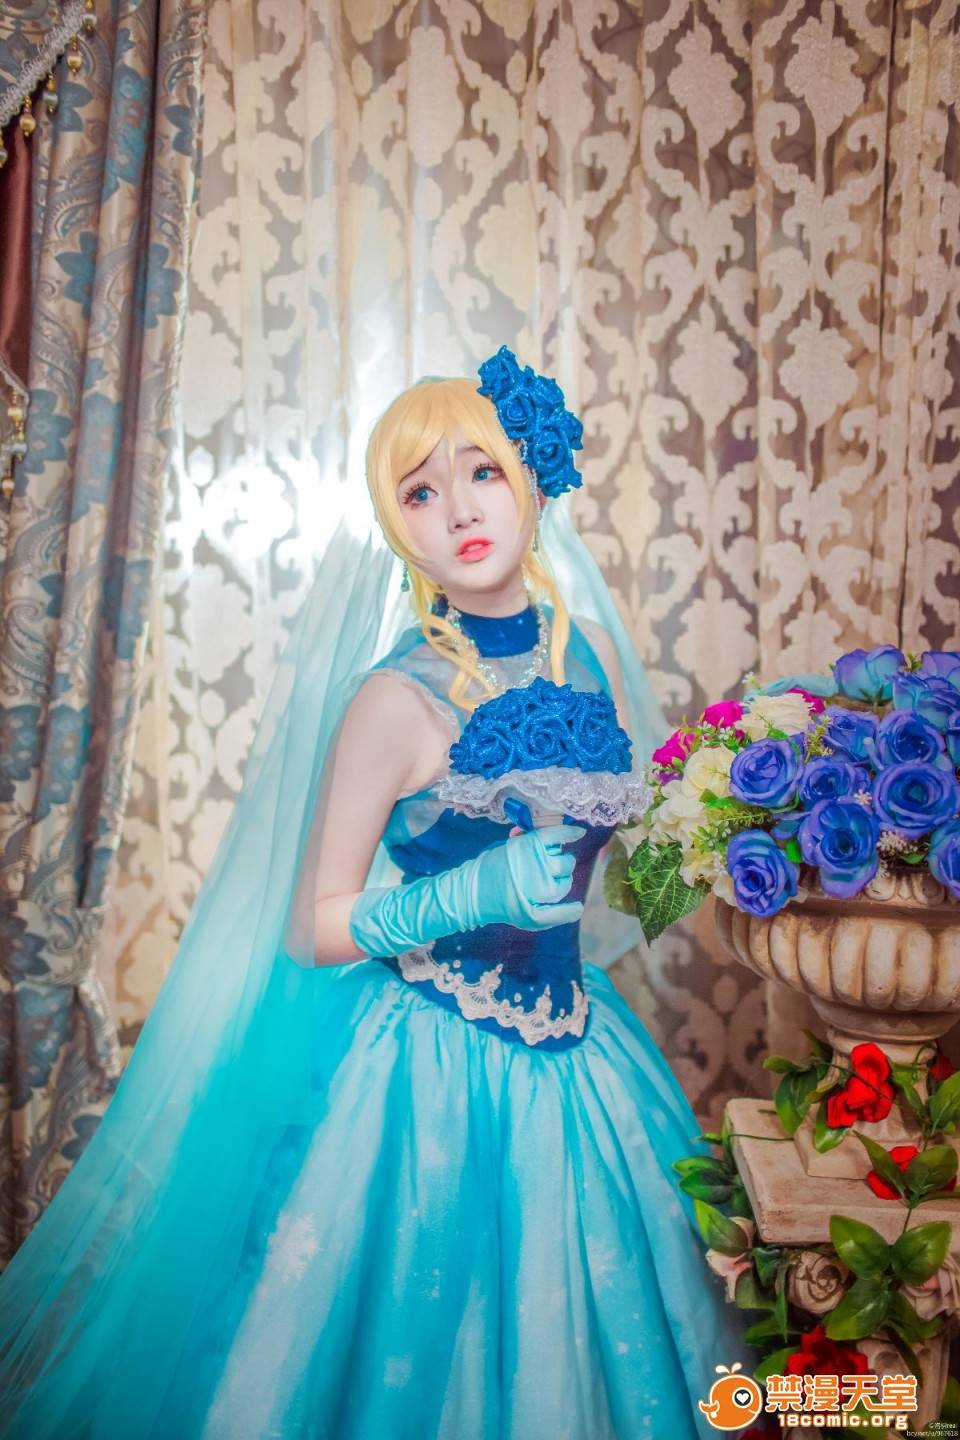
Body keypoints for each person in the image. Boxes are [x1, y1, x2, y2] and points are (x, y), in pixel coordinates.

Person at [0, 348, 747, 1439]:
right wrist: (471, 891)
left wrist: (713, 833)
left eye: (482, 472)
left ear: (533, 481)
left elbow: (625, 860)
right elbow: (312, 926)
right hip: (427, 1063)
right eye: (421, 491)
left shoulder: (585, 649)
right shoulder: (393, 699)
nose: (461, 510)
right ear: (398, 529)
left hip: (583, 1049)